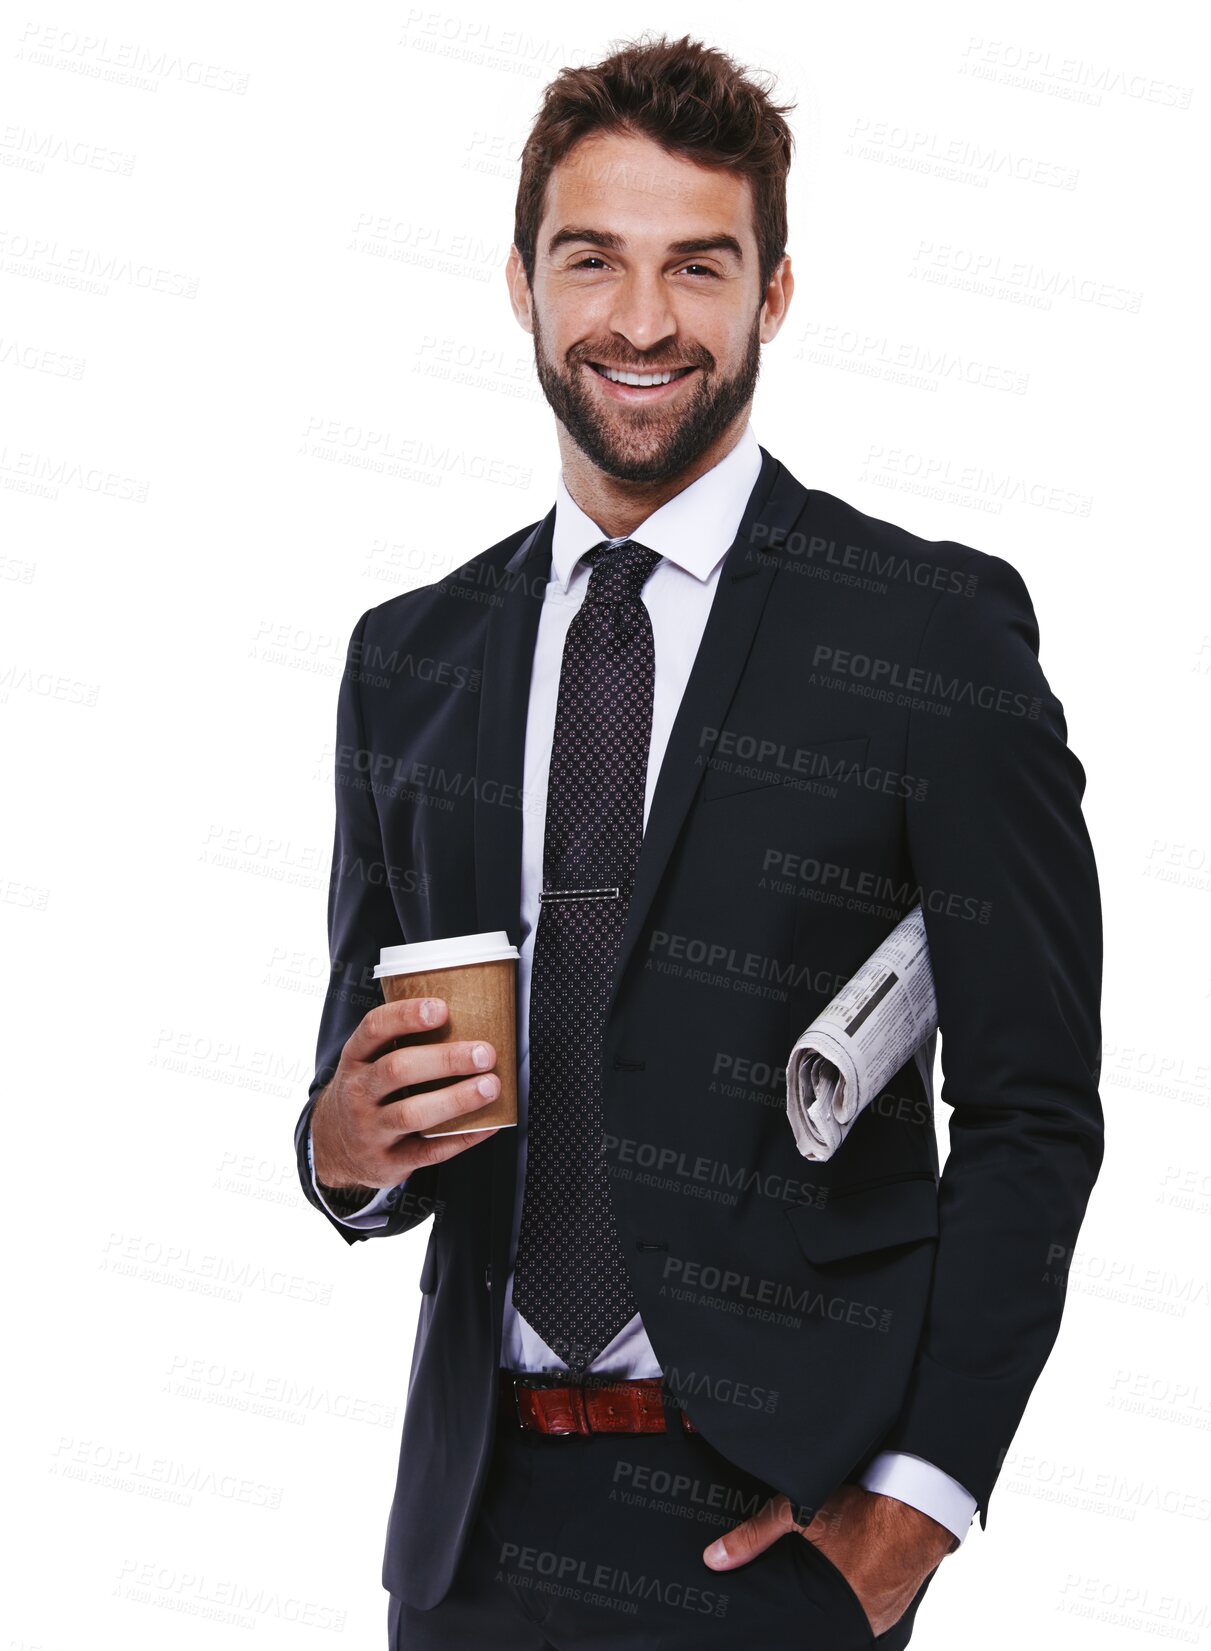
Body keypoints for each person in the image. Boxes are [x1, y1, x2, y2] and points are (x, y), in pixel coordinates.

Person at [294, 33, 1103, 1649]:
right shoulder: (414, 658)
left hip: (778, 1526)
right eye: (593, 259)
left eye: (699, 265)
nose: (644, 320)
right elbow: (350, 1080)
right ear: (522, 285)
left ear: (774, 295)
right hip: (468, 1540)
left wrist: (907, 1517)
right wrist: (344, 1152)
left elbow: (1031, 1110)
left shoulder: (928, 633)